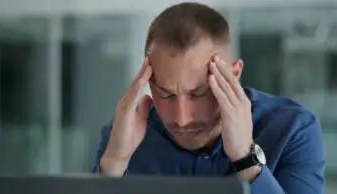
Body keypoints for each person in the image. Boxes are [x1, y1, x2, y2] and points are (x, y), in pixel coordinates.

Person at [92, 2, 325, 194]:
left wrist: (245, 159)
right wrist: (114, 165)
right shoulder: (124, 137)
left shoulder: (293, 129)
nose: (182, 119)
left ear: (233, 75)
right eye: (166, 95)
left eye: (198, 93)